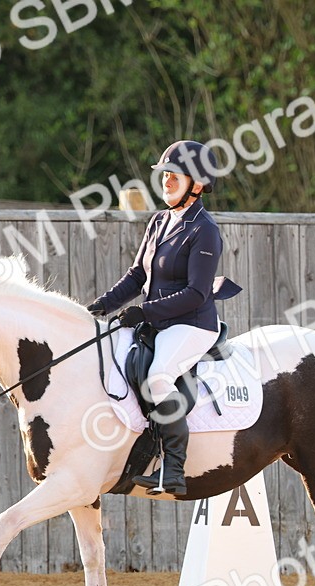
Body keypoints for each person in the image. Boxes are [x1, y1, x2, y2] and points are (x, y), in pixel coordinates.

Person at [86, 140, 240, 496]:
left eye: (174, 176)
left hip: (192, 324)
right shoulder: (159, 221)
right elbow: (137, 276)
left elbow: (196, 293)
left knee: (158, 378)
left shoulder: (205, 230)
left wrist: (145, 311)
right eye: (164, 175)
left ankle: (173, 469)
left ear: (197, 185)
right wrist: (100, 306)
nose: (166, 182)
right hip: (157, 322)